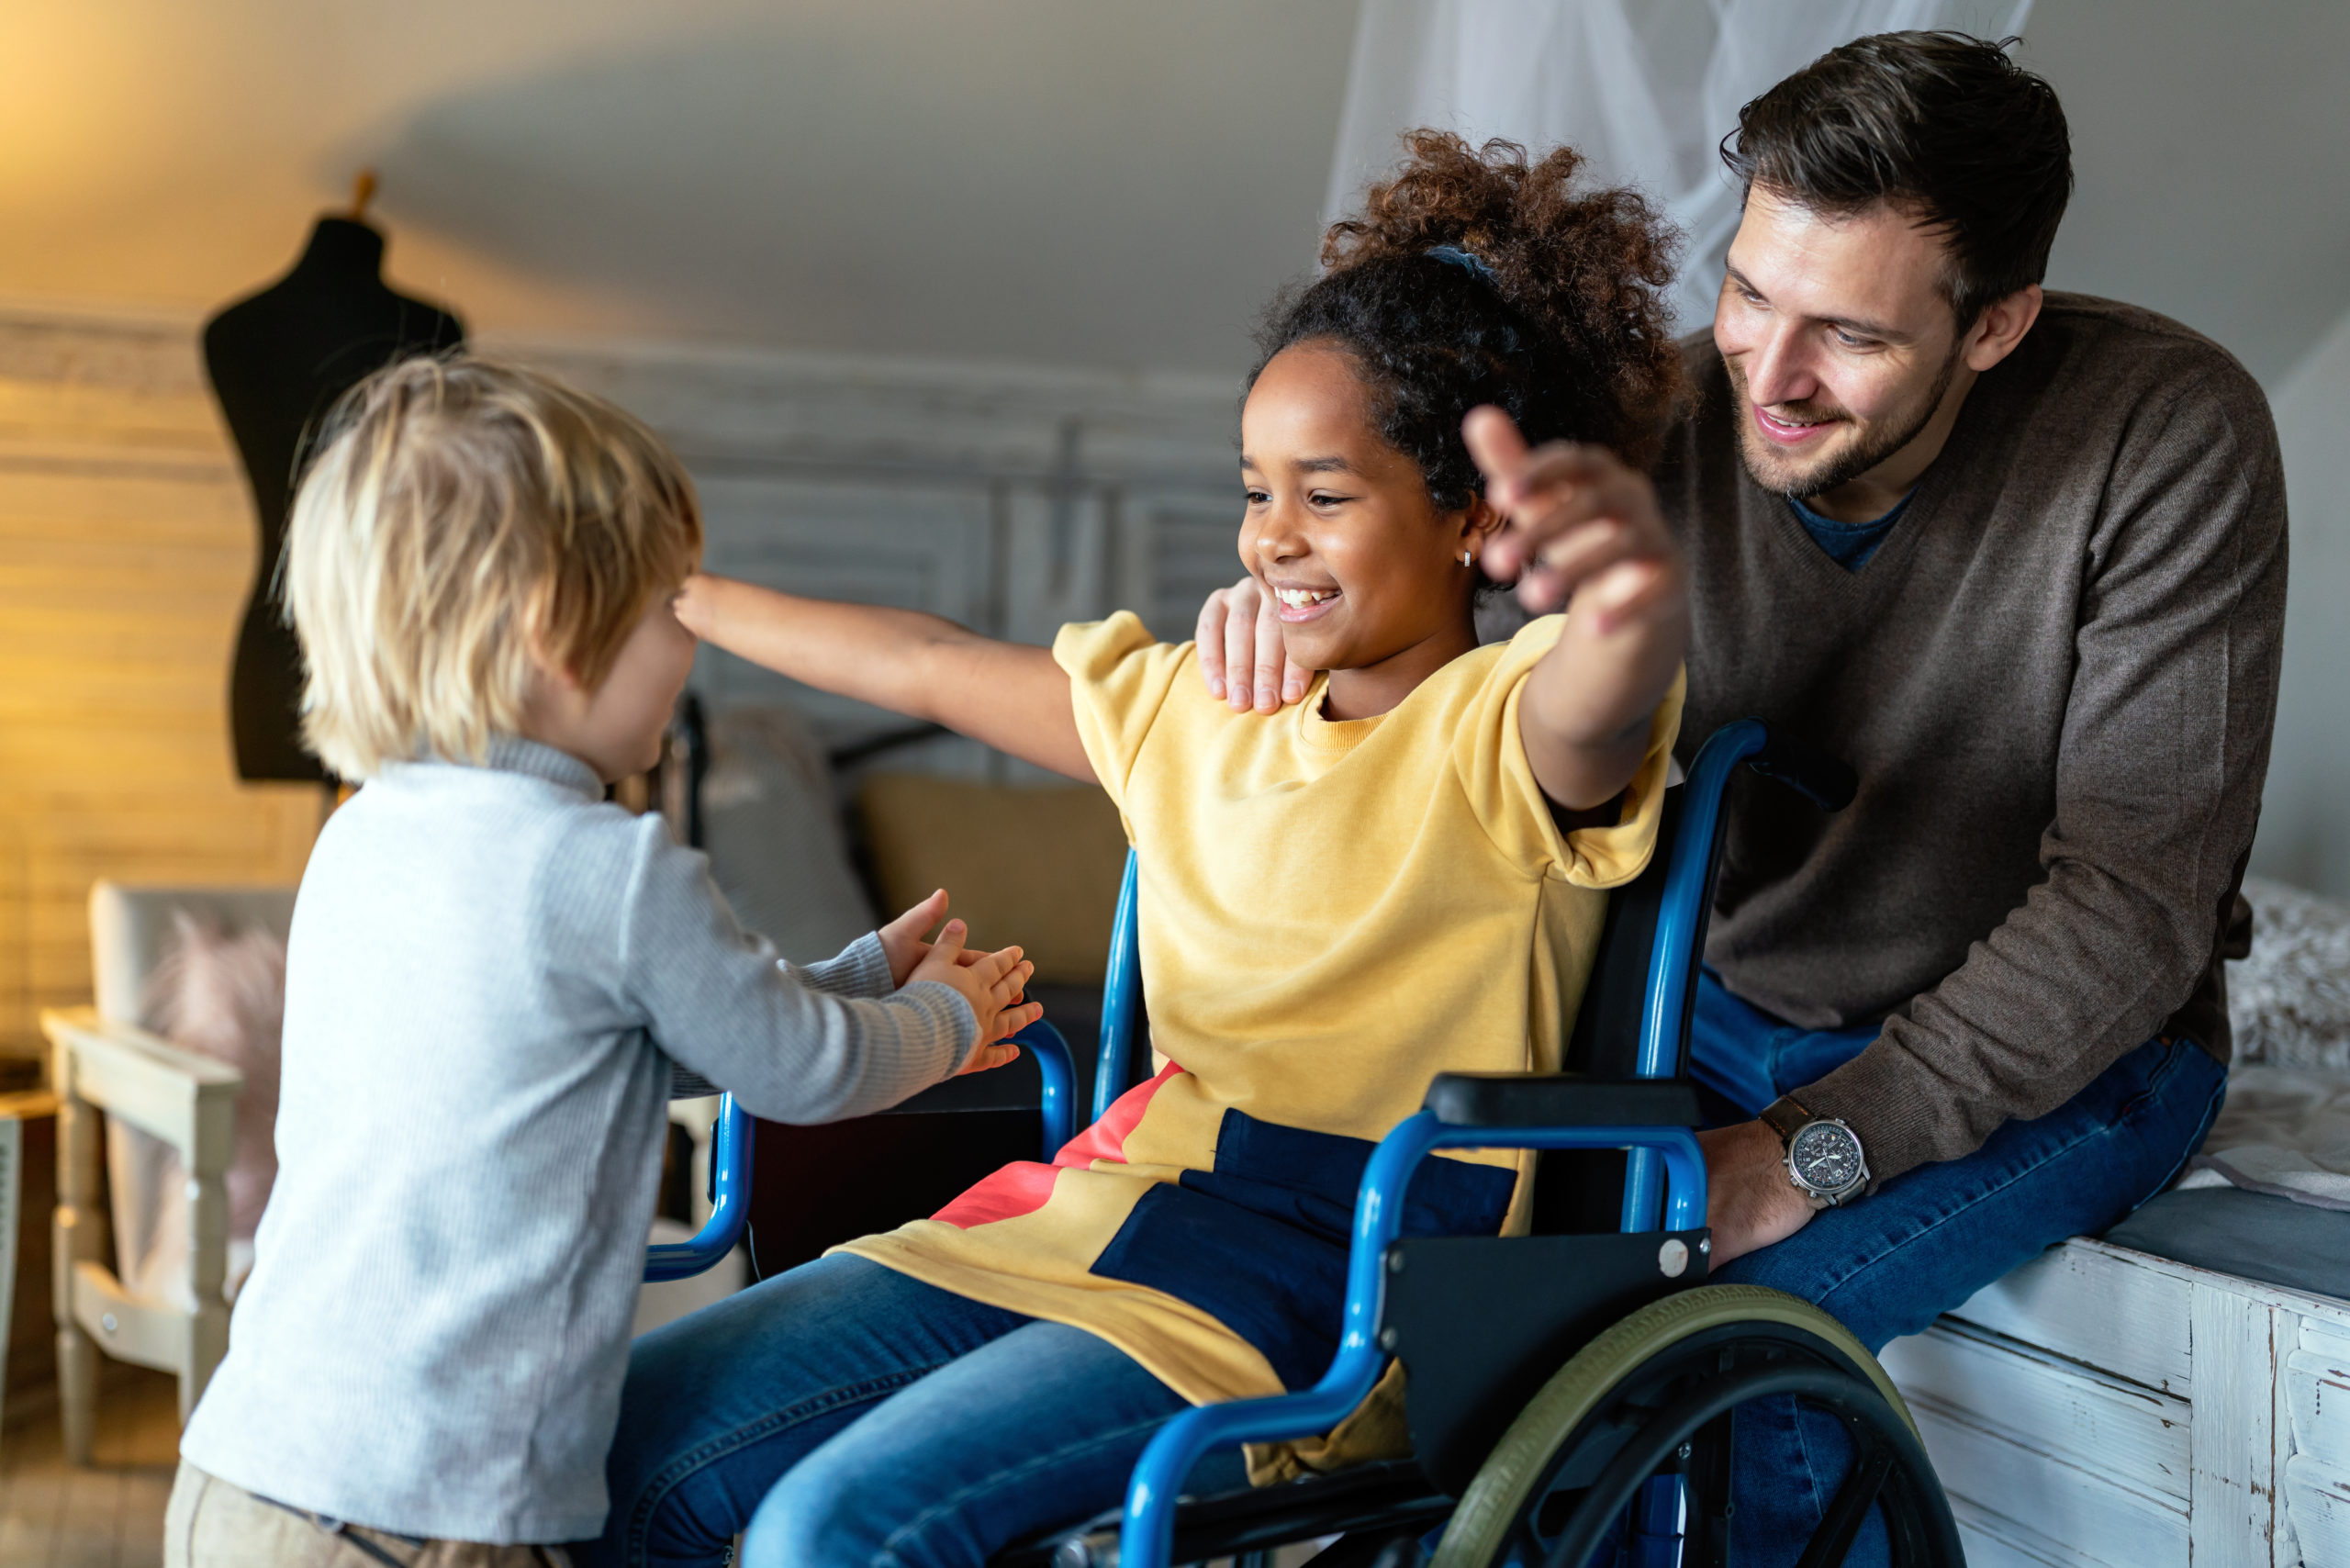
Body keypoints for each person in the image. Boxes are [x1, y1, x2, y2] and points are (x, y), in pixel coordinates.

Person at [1196, 31, 2285, 1562]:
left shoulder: (2166, 437)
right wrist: (1292, 628)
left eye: (1847, 335)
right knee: (1470, 1334)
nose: (1769, 377)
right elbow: (1465, 708)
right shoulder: (1671, 419)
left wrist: (1803, 1153)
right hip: (1708, 1007)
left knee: (1724, 1363)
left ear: (1998, 324)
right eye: (1751, 293)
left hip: (2063, 1047)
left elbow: (2133, 909)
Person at [583, 136, 1688, 1568]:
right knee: (618, 1441)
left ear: (1471, 515)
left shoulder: (1505, 726)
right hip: (1083, 1217)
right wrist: (676, 594)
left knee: (833, 1530)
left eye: (1327, 495)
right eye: (1254, 491)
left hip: (1321, 1286)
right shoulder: (1197, 706)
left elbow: (1606, 692)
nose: (1275, 540)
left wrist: (1629, 591)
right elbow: (923, 661)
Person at [166, 357, 1039, 1568]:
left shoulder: (367, 833)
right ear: (555, 634)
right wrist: (941, 1020)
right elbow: (796, 1076)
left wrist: (852, 980)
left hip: (247, 1470)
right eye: (666, 610)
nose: (688, 646)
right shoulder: (605, 867)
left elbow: (625, 1042)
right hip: (432, 1519)